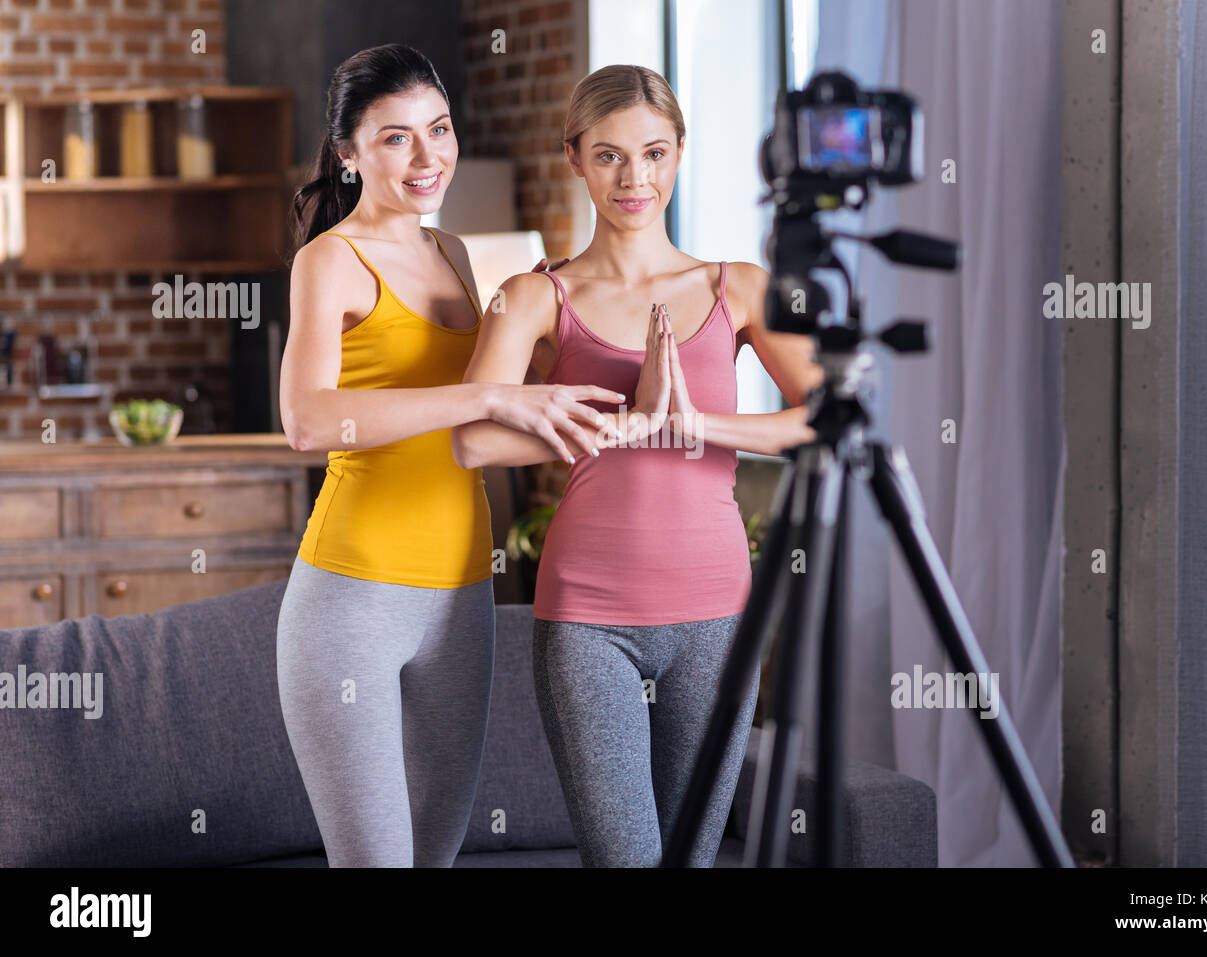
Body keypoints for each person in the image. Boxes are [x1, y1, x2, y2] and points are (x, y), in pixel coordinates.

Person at [452, 64, 823, 866]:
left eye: (654, 153)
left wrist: (693, 423)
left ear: (680, 155)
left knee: (690, 856)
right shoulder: (533, 296)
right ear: (575, 159)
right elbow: (471, 439)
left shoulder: (741, 288)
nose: (635, 177)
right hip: (589, 619)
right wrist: (628, 425)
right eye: (611, 155)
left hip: (718, 615)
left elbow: (821, 424)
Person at [275, 43, 624, 867]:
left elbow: (522, 399)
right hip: (349, 600)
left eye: (439, 127)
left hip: (463, 590)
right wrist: (484, 396)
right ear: (349, 153)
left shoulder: (457, 255)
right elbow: (307, 420)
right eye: (396, 138)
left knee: (436, 856)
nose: (428, 157)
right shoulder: (330, 261)